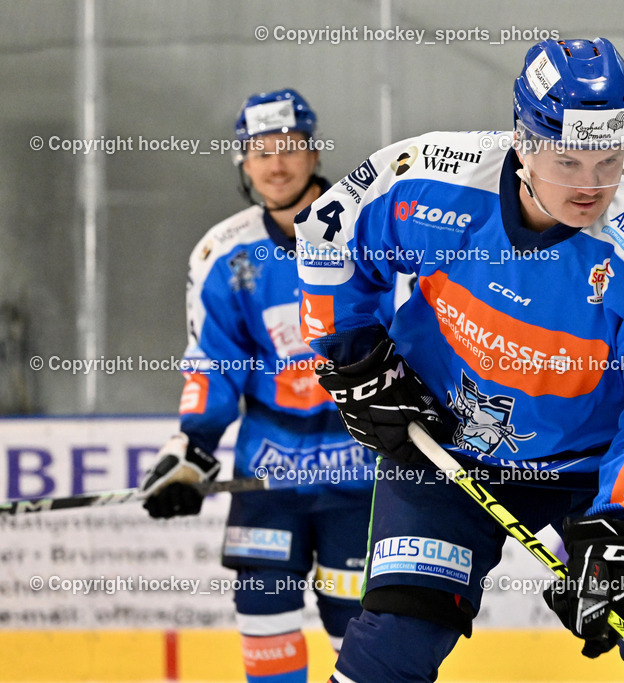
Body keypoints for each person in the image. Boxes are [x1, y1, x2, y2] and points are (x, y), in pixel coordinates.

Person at [298, 38, 624, 683]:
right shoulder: (432, 178)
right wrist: (352, 357)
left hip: (596, 473)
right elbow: (330, 234)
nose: (591, 185)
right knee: (394, 641)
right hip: (443, 449)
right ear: (522, 141)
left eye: (611, 161)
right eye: (569, 160)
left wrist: (622, 520)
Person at [140, 89, 380, 683]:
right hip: (269, 473)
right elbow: (213, 359)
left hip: (364, 475)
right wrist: (192, 449)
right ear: (243, 163)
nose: (276, 163)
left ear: (314, 151)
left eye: (290, 146)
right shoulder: (222, 252)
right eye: (260, 150)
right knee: (264, 621)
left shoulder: (367, 229)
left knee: (362, 635)